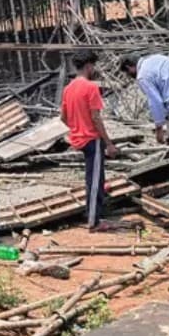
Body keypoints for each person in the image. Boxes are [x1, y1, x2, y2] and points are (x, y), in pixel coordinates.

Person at [119, 53, 169, 199]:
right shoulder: (159, 58)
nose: (130, 76)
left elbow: (155, 102)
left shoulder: (143, 76)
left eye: (128, 73)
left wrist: (159, 128)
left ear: (129, 67)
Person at [61, 51, 119, 231]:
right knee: (94, 180)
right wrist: (108, 142)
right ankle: (94, 221)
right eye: (93, 66)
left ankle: (95, 211)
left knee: (94, 177)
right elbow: (96, 117)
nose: (94, 69)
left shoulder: (68, 88)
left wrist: (77, 126)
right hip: (92, 139)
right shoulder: (90, 87)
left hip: (79, 138)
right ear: (88, 66)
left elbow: (63, 117)